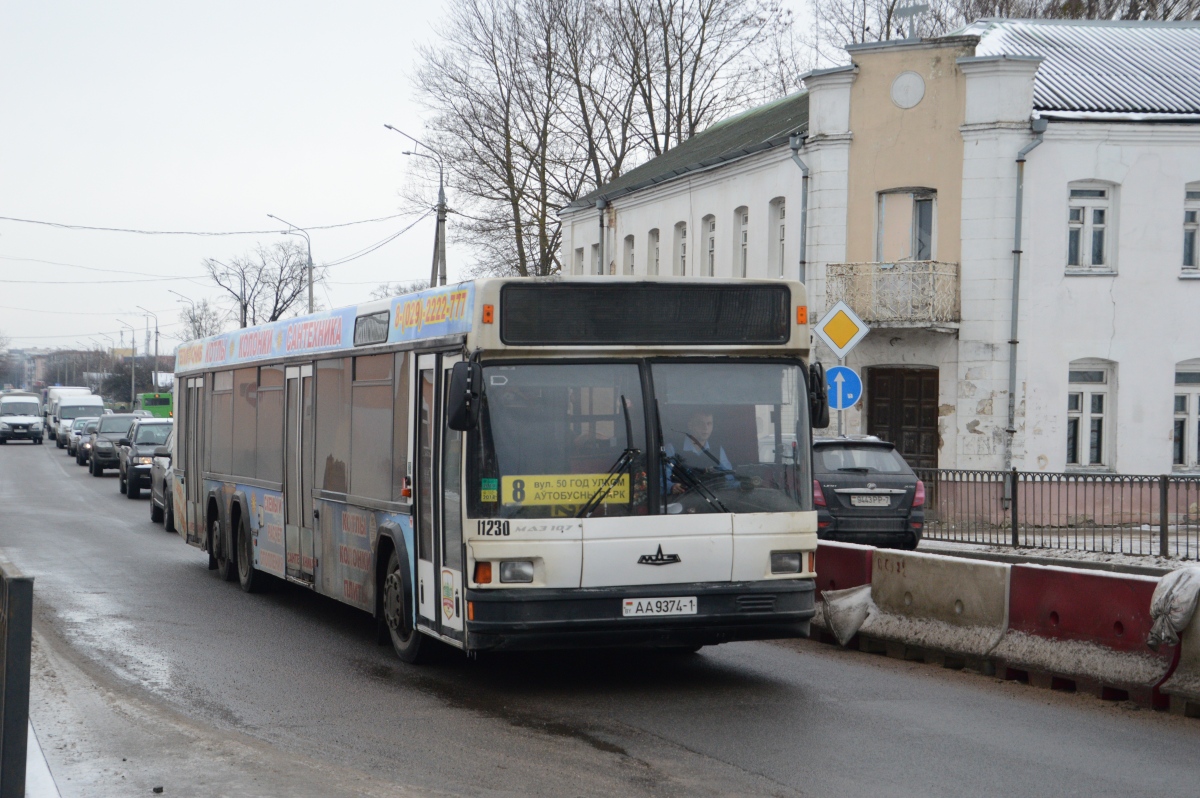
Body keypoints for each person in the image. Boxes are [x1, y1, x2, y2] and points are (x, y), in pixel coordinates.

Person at [664, 409, 733, 494]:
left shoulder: (717, 449)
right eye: (700, 423)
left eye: (709, 423)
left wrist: (743, 485)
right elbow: (660, 479)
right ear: (690, 425)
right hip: (681, 499)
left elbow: (729, 477)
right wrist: (671, 487)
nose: (706, 428)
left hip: (713, 501)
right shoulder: (672, 448)